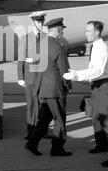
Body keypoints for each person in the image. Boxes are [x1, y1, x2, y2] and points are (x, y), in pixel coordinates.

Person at [63, 21, 108, 167]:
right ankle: (101, 145)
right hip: (97, 87)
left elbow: (98, 71)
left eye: (88, 31)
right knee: (96, 118)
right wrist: (77, 75)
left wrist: (76, 75)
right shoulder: (94, 46)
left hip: (104, 86)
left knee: (107, 121)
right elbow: (93, 70)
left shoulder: (101, 47)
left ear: (97, 32)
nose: (86, 34)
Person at [25, 18, 72, 156]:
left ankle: (32, 143)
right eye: (62, 29)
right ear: (57, 30)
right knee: (59, 119)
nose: (62, 32)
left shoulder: (41, 44)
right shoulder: (58, 46)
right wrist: (68, 85)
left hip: (42, 87)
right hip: (55, 89)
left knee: (45, 118)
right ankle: (57, 148)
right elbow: (64, 71)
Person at [17, 11, 52, 139]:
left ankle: (43, 130)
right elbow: (21, 59)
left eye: (42, 21)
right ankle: (31, 131)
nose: (41, 23)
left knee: (43, 105)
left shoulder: (46, 37)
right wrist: (20, 77)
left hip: (43, 77)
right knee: (31, 105)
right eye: (38, 21)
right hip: (31, 77)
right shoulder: (25, 38)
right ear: (33, 22)